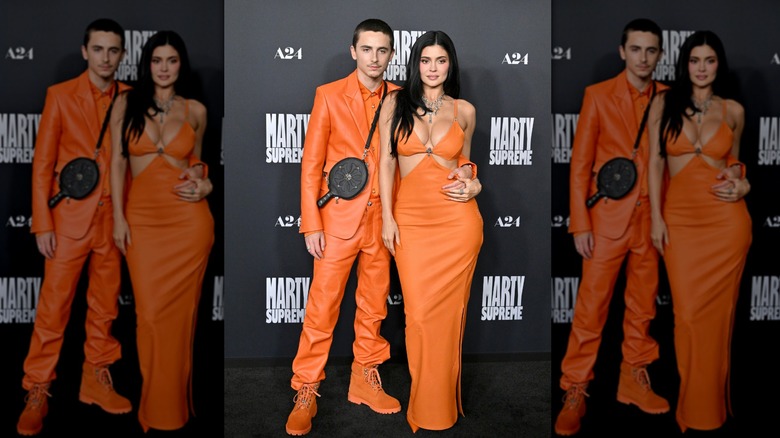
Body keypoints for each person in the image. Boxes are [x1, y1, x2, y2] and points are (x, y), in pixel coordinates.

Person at [288, 19, 476, 436]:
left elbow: (421, 160)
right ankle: (305, 389)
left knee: (374, 308)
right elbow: (311, 163)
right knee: (322, 308)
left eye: (383, 51)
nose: (375, 58)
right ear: (353, 51)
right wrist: (311, 222)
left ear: (392, 55)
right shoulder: (328, 95)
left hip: (387, 219)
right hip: (337, 219)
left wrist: (468, 177)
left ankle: (364, 379)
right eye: (367, 49)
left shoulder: (403, 97)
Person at [555, 18, 671, 436]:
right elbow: (580, 163)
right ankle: (574, 389)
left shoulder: (669, 98)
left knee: (643, 308)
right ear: (623, 52)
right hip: (606, 221)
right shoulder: (598, 95)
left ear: (660, 54)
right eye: (636, 49)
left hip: (652, 221)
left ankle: (633, 380)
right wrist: (580, 223)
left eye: (651, 50)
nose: (643, 58)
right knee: (590, 310)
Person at [18, 18, 133, 436]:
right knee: (53, 310)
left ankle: (96, 380)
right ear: (86, 52)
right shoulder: (60, 96)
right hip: (67, 221)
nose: (106, 57)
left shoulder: (131, 97)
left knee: (104, 309)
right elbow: (42, 163)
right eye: (98, 49)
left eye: (113, 50)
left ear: (123, 54)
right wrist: (42, 223)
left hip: (113, 222)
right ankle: (37, 389)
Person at [378, 30, 483, 433]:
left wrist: (474, 181)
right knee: (419, 316)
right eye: (426, 60)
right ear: (415, 63)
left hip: (458, 225)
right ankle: (425, 400)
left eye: (441, 61)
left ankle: (436, 408)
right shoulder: (395, 102)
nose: (433, 68)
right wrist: (388, 218)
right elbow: (388, 164)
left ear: (450, 64)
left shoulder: (465, 111)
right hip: (413, 223)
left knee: (448, 319)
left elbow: (465, 165)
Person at [109, 30, 214, 432]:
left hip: (188, 225)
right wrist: (119, 218)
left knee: (181, 319)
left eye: (172, 60)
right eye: (157, 60)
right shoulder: (126, 103)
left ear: (180, 64)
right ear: (147, 64)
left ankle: (169, 412)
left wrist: (205, 181)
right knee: (150, 317)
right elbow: (119, 164)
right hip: (143, 223)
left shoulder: (196, 110)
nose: (165, 68)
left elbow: (199, 164)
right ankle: (153, 405)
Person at [647, 30, 751, 433]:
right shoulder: (663, 102)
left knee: (718, 320)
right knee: (687, 317)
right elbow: (656, 164)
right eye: (695, 60)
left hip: (726, 226)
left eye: (709, 60)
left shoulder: (733, 110)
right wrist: (656, 218)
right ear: (684, 63)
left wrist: (743, 181)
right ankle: (693, 405)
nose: (702, 68)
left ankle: (706, 413)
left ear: (718, 64)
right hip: (681, 224)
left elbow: (736, 164)